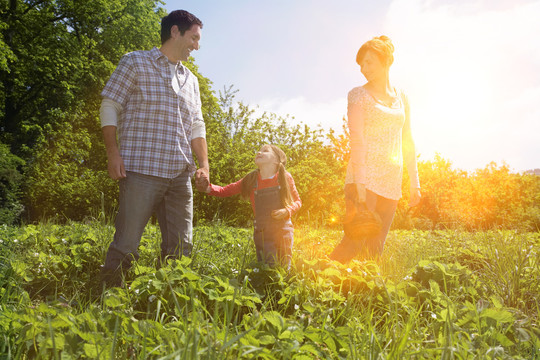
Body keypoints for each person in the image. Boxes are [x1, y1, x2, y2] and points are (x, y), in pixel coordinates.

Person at [99, 10, 210, 287]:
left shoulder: (191, 80)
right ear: (175, 32)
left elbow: (197, 125)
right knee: (126, 242)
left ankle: (170, 298)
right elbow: (109, 105)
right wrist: (112, 153)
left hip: (180, 175)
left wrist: (204, 165)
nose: (197, 45)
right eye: (194, 38)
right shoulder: (135, 62)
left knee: (181, 247)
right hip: (141, 169)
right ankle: (108, 297)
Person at [330, 35, 421, 263]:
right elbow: (357, 139)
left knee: (375, 248)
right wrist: (360, 184)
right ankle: (316, 286)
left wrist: (414, 183)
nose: (363, 68)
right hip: (364, 179)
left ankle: (361, 297)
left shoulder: (402, 98)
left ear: (386, 61)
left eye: (369, 62)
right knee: (354, 241)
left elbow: (407, 138)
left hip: (391, 181)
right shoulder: (358, 95)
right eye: (361, 64)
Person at [203, 145, 302, 267]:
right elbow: (225, 190)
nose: (259, 152)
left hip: (283, 230)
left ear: (276, 160)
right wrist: (208, 188)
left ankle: (283, 284)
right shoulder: (251, 179)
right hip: (262, 231)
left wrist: (287, 210)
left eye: (265, 151)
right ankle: (266, 284)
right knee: (266, 266)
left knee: (283, 265)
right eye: (259, 150)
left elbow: (297, 201)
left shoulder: (285, 177)